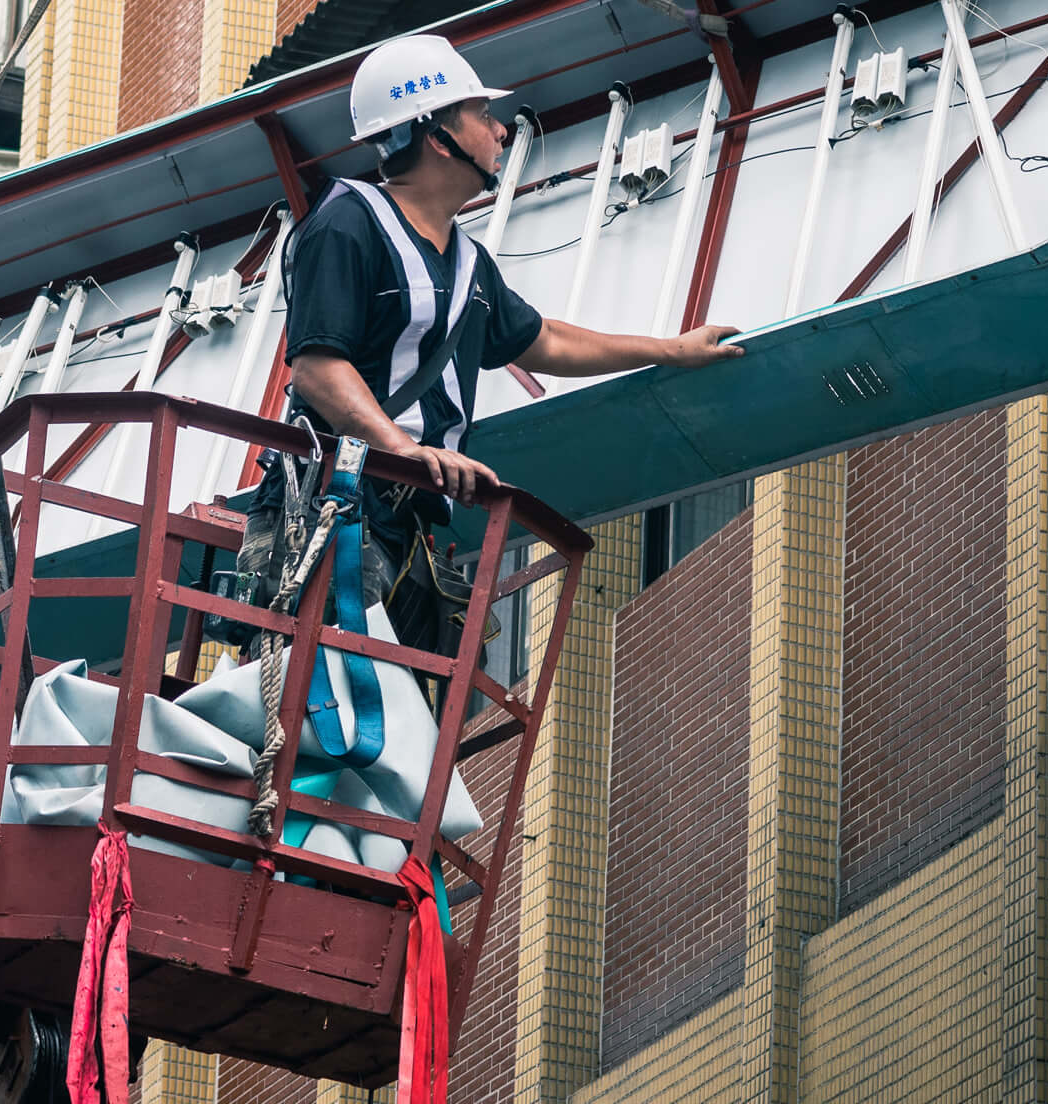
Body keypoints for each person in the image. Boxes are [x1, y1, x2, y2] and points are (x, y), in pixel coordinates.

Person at [277, 32, 742, 651]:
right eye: (482, 115)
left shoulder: (469, 262)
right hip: (337, 506)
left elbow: (541, 340)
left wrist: (667, 349)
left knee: (397, 715)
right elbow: (315, 367)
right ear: (437, 137)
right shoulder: (346, 222)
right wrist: (400, 448)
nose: (500, 132)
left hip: (411, 526)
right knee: (336, 696)